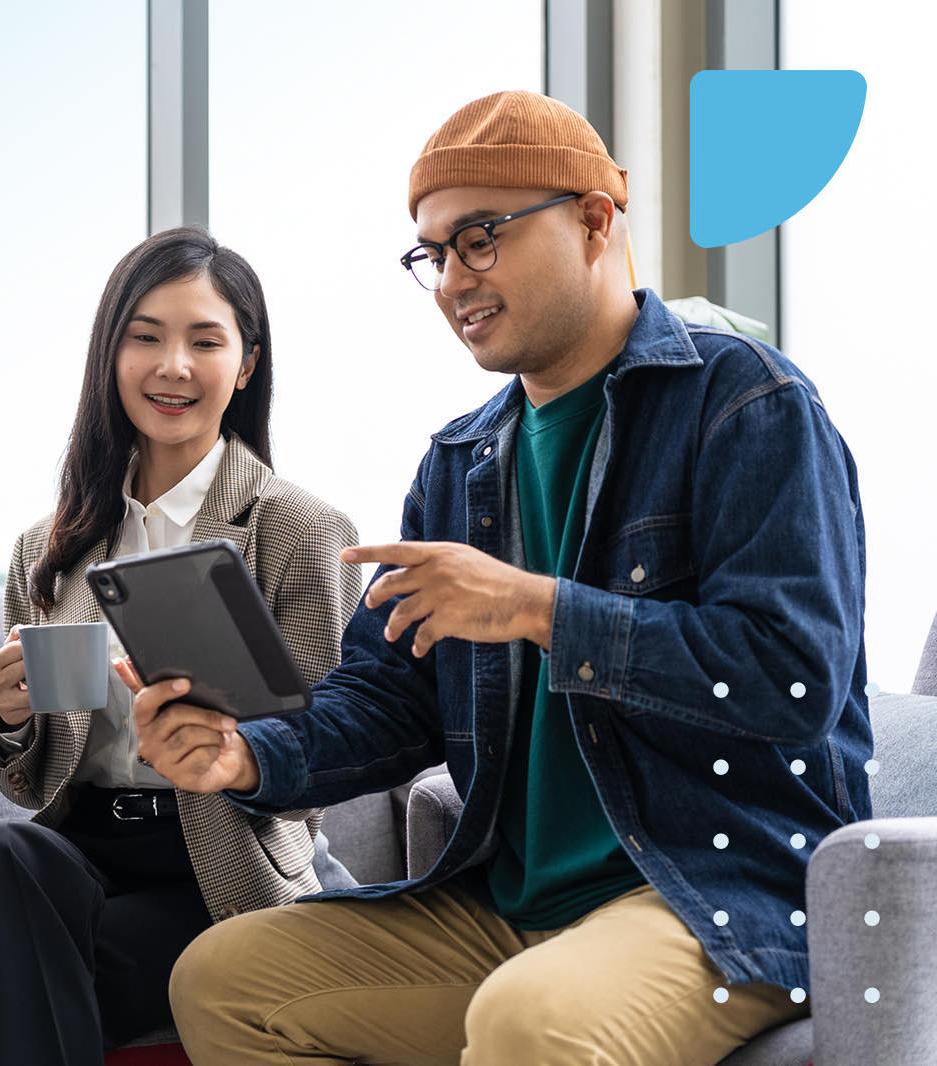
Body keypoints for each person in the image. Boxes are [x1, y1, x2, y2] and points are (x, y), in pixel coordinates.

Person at [132, 91, 873, 1066]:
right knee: (225, 979)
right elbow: (390, 700)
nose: (450, 279)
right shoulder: (458, 463)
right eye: (431, 254)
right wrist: (247, 759)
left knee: (531, 1020)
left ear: (595, 219)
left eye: (478, 239)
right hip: (508, 905)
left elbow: (791, 678)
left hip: (713, 896)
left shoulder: (745, 401)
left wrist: (537, 608)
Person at [0, 227, 364, 1065]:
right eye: (146, 337)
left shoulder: (299, 530)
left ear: (245, 365)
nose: (173, 365)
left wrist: (229, 741)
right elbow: (21, 781)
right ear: (111, 356)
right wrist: (14, 717)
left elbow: (325, 760)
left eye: (204, 341)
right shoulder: (50, 546)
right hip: (79, 851)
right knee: (0, 851)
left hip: (217, 867)